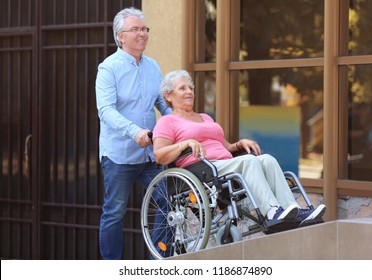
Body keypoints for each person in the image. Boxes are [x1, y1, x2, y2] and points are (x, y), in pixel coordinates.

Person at [152, 69, 326, 225]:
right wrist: (185, 143)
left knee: (267, 159)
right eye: (183, 88)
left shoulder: (205, 117)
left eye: (191, 88)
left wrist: (238, 144)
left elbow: (223, 146)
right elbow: (159, 155)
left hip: (225, 164)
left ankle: (293, 210)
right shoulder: (168, 121)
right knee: (249, 162)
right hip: (202, 169)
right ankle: (272, 210)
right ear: (168, 96)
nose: (189, 91)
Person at [95, 7, 172, 260]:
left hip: (150, 155)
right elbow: (105, 110)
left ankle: (159, 261)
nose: (143, 34)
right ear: (121, 36)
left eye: (144, 29)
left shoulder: (153, 66)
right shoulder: (108, 68)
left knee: (168, 202)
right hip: (119, 155)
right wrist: (134, 131)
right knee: (114, 212)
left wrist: (177, 122)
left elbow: (161, 103)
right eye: (136, 29)